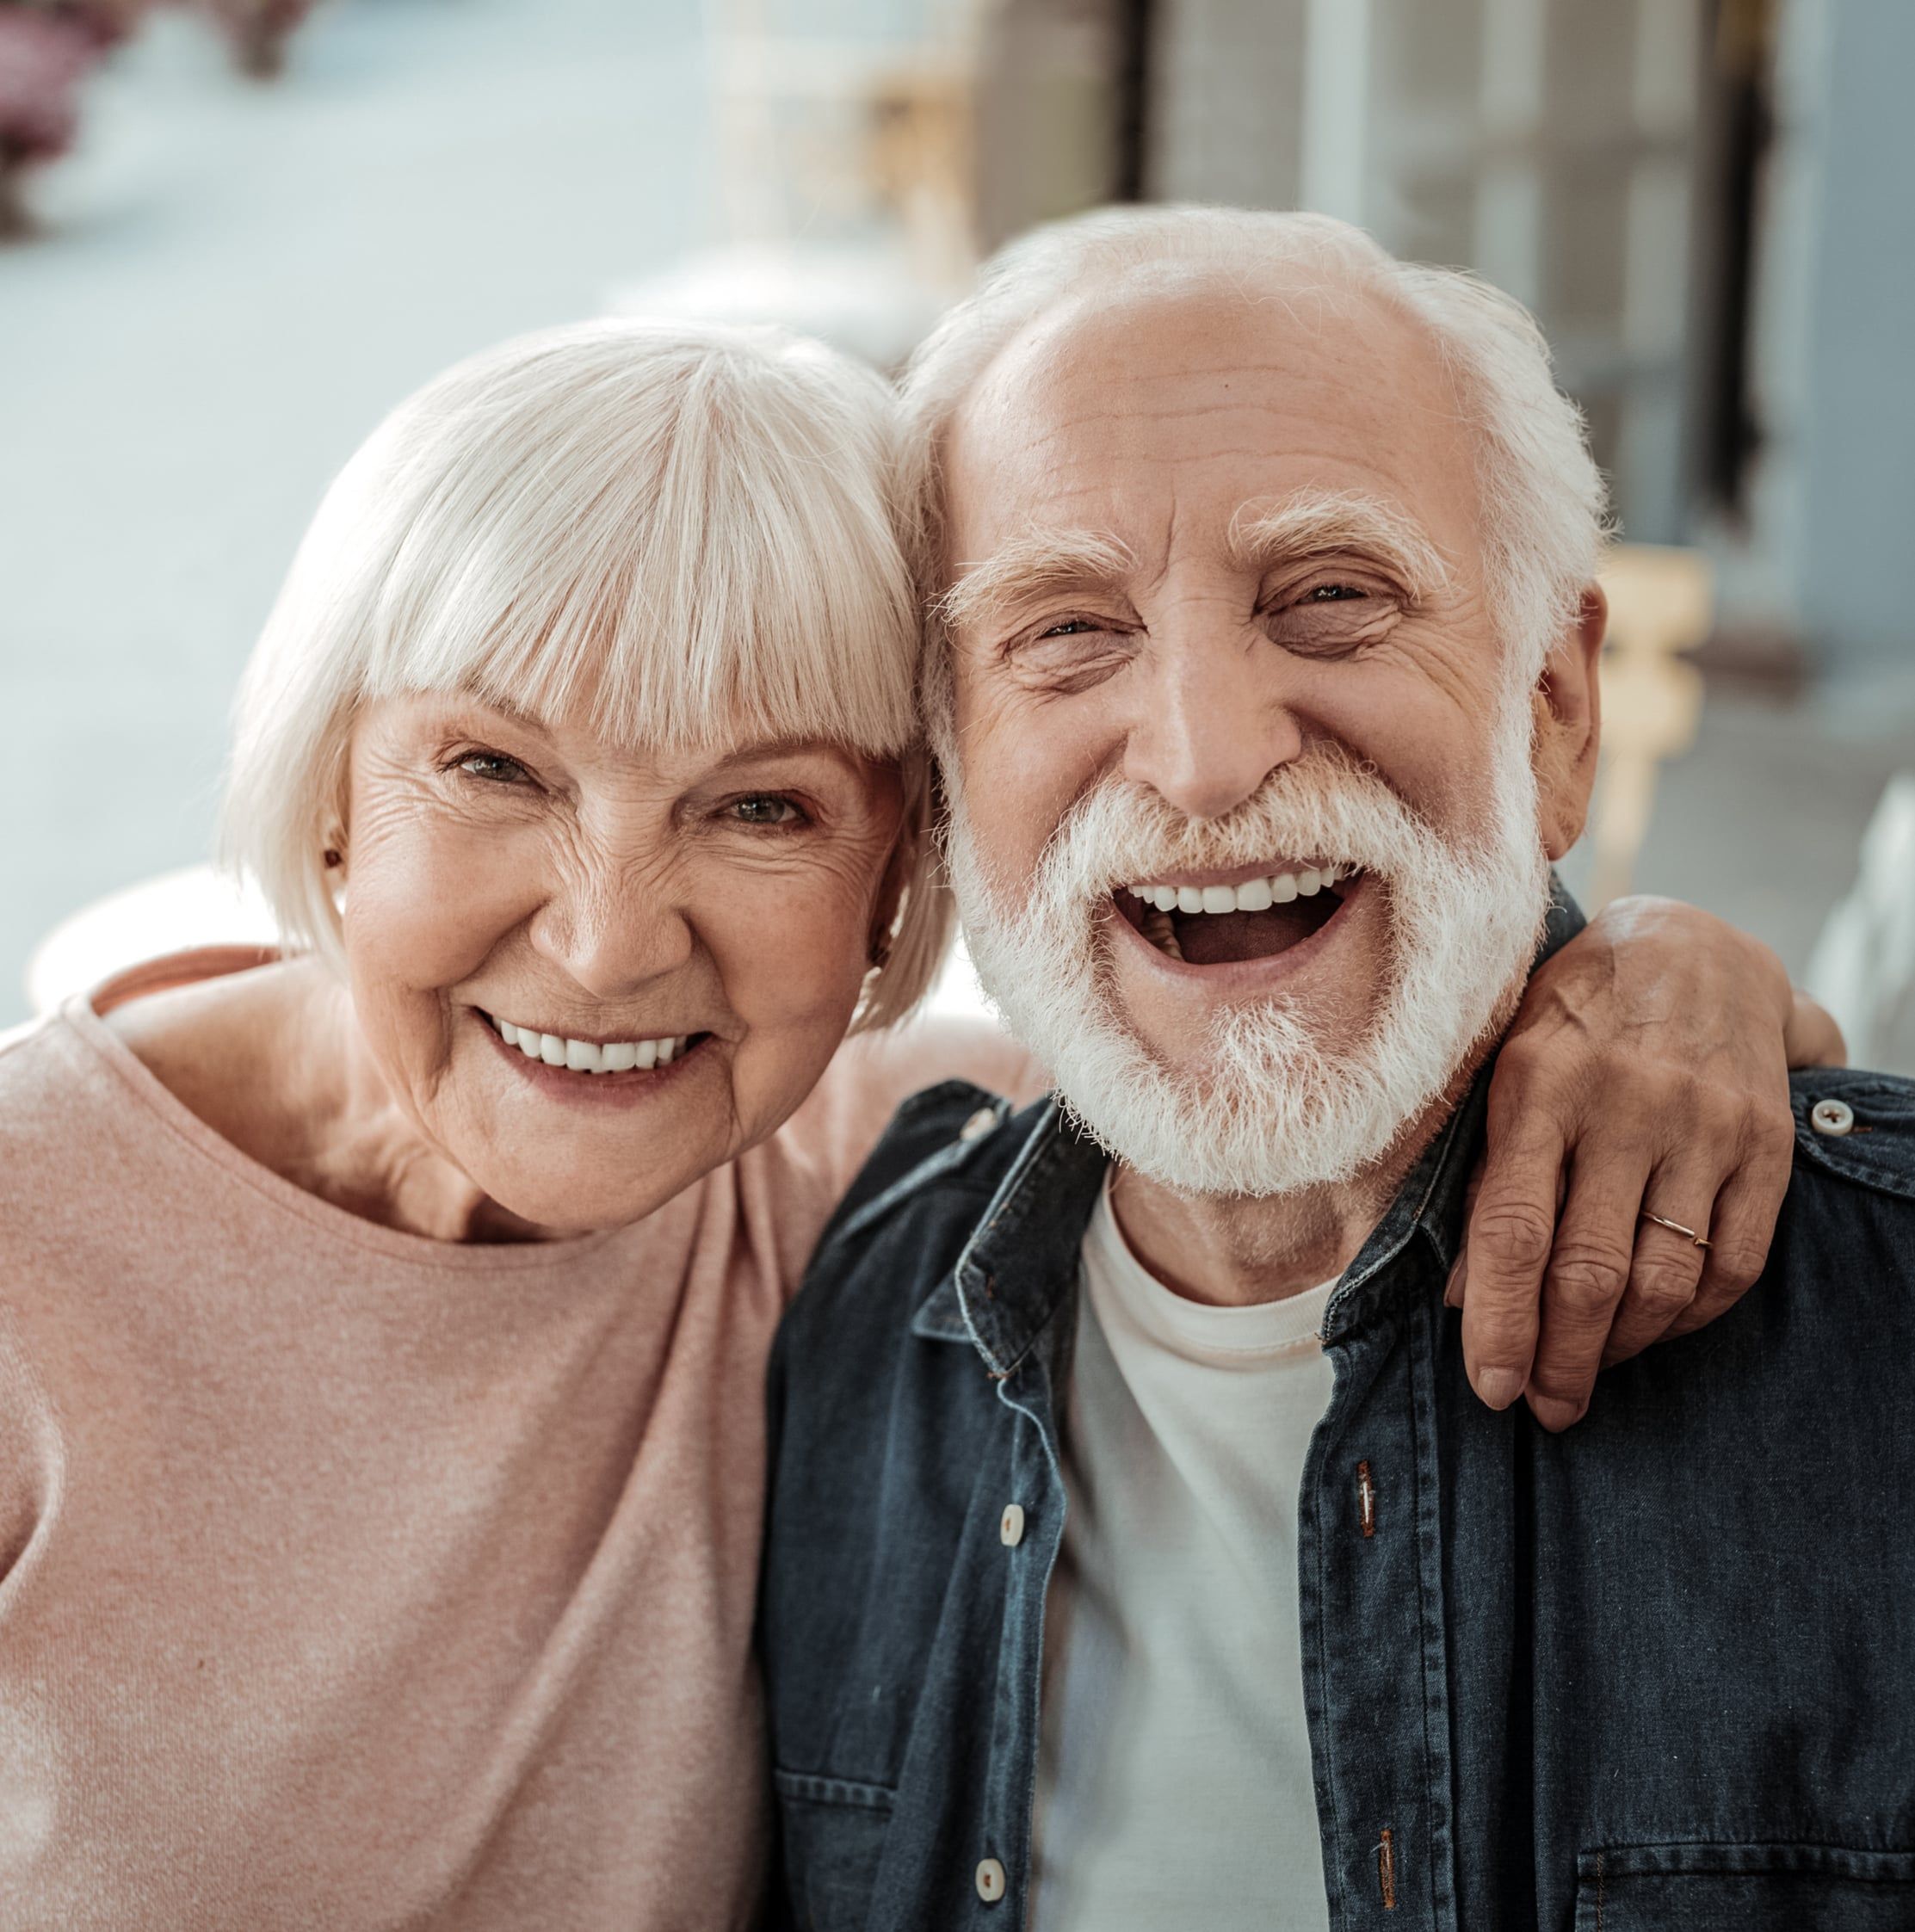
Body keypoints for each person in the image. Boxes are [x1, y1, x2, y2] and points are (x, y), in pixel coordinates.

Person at [0, 315, 1837, 1931]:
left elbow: (1314, 1045)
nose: (609, 941)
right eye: (492, 769)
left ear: (907, 878)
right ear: (330, 795)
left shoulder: (872, 1183)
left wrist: (1667, 973)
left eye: (765, 811)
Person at [757, 207, 1915, 1932]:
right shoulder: (840, 1304)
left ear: (1557, 710)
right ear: (943, 769)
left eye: (1331, 598)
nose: (1209, 756)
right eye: (1068, 630)